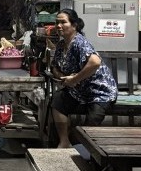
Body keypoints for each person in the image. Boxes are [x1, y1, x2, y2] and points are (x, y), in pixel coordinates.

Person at [49, 9, 118, 148]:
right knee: (57, 100)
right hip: (79, 91)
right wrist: (63, 77)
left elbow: (95, 62)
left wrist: (75, 79)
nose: (59, 26)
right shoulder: (61, 45)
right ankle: (64, 141)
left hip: (99, 92)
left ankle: (87, 152)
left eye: (63, 22)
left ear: (74, 25)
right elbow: (54, 66)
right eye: (57, 22)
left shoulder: (79, 42)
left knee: (90, 125)